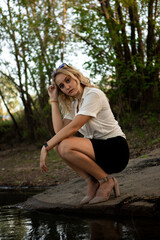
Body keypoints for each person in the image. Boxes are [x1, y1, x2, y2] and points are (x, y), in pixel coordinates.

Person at [40, 63, 129, 205]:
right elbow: (59, 131)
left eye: (68, 80)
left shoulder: (93, 94)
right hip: (98, 152)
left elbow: (74, 127)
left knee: (64, 145)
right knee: (59, 145)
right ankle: (92, 181)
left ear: (77, 76)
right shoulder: (75, 104)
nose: (66, 87)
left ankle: (106, 181)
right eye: (61, 86)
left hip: (116, 150)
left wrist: (46, 146)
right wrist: (54, 99)